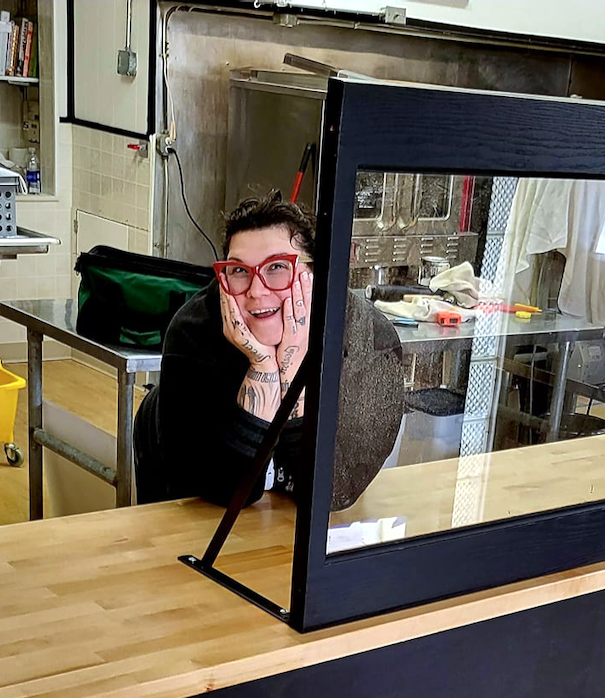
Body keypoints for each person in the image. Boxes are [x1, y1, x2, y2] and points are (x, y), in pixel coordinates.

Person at [134, 193, 404, 509]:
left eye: (278, 266)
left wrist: (290, 370)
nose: (256, 290)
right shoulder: (193, 331)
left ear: (315, 274)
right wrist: (261, 366)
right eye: (238, 270)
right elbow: (217, 490)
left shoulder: (369, 339)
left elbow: (334, 491)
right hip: (175, 457)